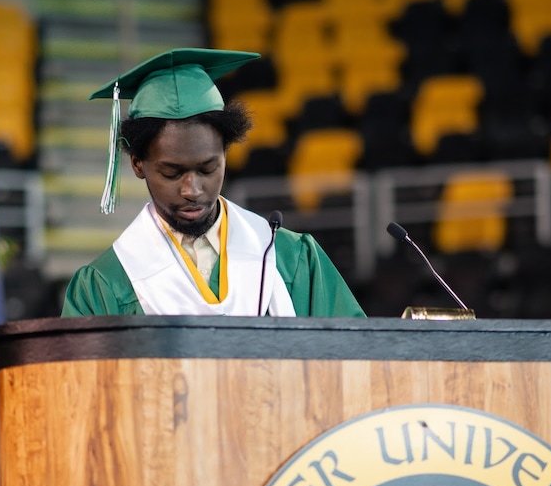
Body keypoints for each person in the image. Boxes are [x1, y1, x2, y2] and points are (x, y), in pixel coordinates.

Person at [61, 48, 365, 317]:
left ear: (226, 155)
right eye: (171, 173)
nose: (192, 190)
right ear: (138, 165)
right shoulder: (106, 285)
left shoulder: (290, 258)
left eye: (207, 169)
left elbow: (355, 362)